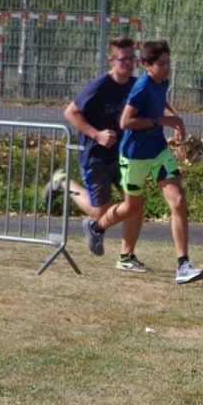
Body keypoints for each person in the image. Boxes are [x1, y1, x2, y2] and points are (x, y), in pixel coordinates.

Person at [105, 39, 203, 283]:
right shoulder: (141, 87)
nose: (166, 68)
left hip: (158, 151)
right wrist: (162, 121)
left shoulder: (162, 81)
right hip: (134, 155)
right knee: (132, 208)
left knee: (178, 201)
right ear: (147, 66)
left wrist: (175, 119)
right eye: (161, 64)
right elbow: (125, 122)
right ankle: (98, 227)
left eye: (168, 62)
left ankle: (183, 265)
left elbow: (162, 103)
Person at [49, 36, 138, 258]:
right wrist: (96, 134)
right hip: (95, 156)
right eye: (122, 59)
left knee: (135, 204)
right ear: (111, 60)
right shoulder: (99, 86)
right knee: (101, 212)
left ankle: (127, 257)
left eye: (131, 58)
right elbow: (70, 112)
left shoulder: (135, 85)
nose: (127, 63)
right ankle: (62, 182)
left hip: (121, 155)